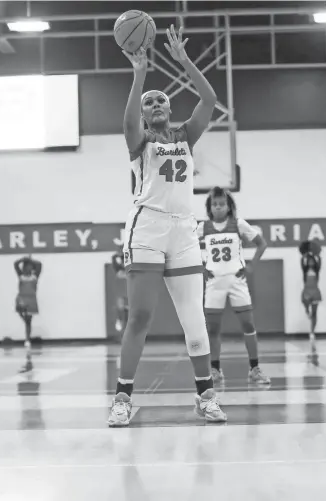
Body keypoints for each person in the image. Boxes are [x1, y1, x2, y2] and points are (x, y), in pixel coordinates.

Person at [107, 25, 226, 427]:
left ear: (170, 109)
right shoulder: (139, 142)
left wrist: (184, 62)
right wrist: (139, 74)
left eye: (161, 99)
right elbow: (126, 127)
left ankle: (206, 395)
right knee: (140, 314)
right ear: (143, 113)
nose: (156, 104)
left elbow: (209, 99)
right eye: (149, 102)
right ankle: (122, 398)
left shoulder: (186, 136)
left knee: (194, 315)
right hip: (148, 228)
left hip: (185, 231)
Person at [197, 187, 270, 384]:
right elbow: (187, 248)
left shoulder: (239, 224)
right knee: (212, 329)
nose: (218, 208)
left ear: (229, 207)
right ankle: (215, 369)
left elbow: (261, 243)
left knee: (248, 324)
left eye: (222, 204)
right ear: (210, 208)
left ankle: (254, 369)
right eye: (215, 204)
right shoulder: (203, 227)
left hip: (237, 281)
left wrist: (252, 264)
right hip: (214, 282)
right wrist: (201, 268)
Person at [14, 256, 42, 348]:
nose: (29, 268)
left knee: (29, 321)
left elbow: (40, 265)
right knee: (21, 313)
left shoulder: (34, 276)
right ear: (24, 267)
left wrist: (30, 260)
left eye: (30, 266)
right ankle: (27, 336)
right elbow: (15, 264)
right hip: (22, 298)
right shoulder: (21, 276)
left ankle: (27, 339)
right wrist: (23, 259)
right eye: (27, 266)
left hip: (31, 300)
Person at [299, 239, 322, 350]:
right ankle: (306, 309)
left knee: (315, 312)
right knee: (304, 301)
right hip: (307, 288)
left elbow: (318, 263)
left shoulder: (317, 262)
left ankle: (312, 332)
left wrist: (315, 256)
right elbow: (303, 262)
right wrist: (307, 254)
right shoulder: (304, 261)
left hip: (315, 288)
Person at [111, 240, 129, 333]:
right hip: (121, 290)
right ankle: (119, 320)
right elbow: (115, 261)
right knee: (120, 306)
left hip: (129, 290)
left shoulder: (128, 260)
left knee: (128, 309)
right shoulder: (116, 259)